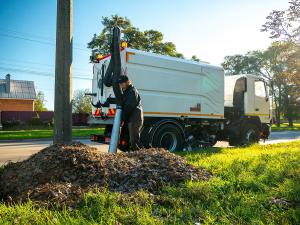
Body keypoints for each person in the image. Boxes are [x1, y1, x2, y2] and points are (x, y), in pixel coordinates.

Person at [118, 75, 144, 150]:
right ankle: (134, 155)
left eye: (122, 83)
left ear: (127, 82)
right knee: (129, 140)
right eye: (120, 83)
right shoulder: (126, 91)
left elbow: (129, 107)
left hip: (134, 119)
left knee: (134, 141)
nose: (121, 85)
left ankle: (140, 156)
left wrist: (123, 119)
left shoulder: (132, 91)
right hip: (131, 118)